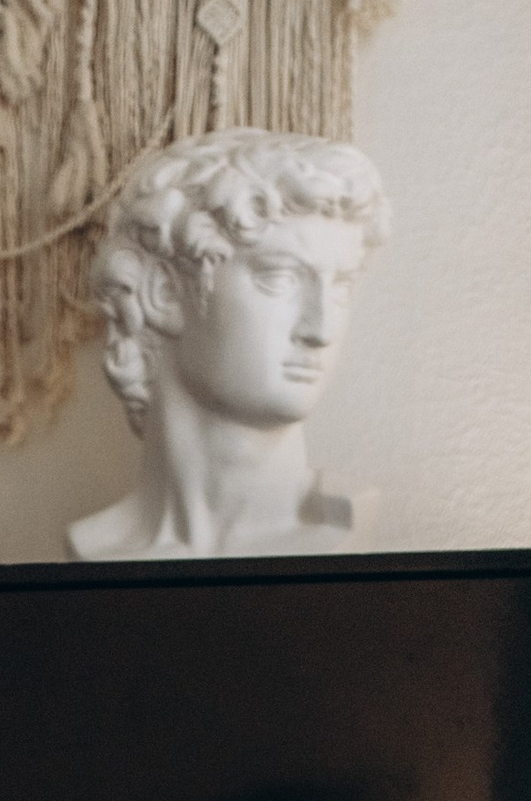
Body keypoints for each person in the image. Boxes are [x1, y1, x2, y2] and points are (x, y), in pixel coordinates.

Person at [68, 127, 390, 564]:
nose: (320, 330)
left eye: (341, 286)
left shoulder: (344, 526)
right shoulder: (98, 549)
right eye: (279, 279)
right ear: (163, 293)